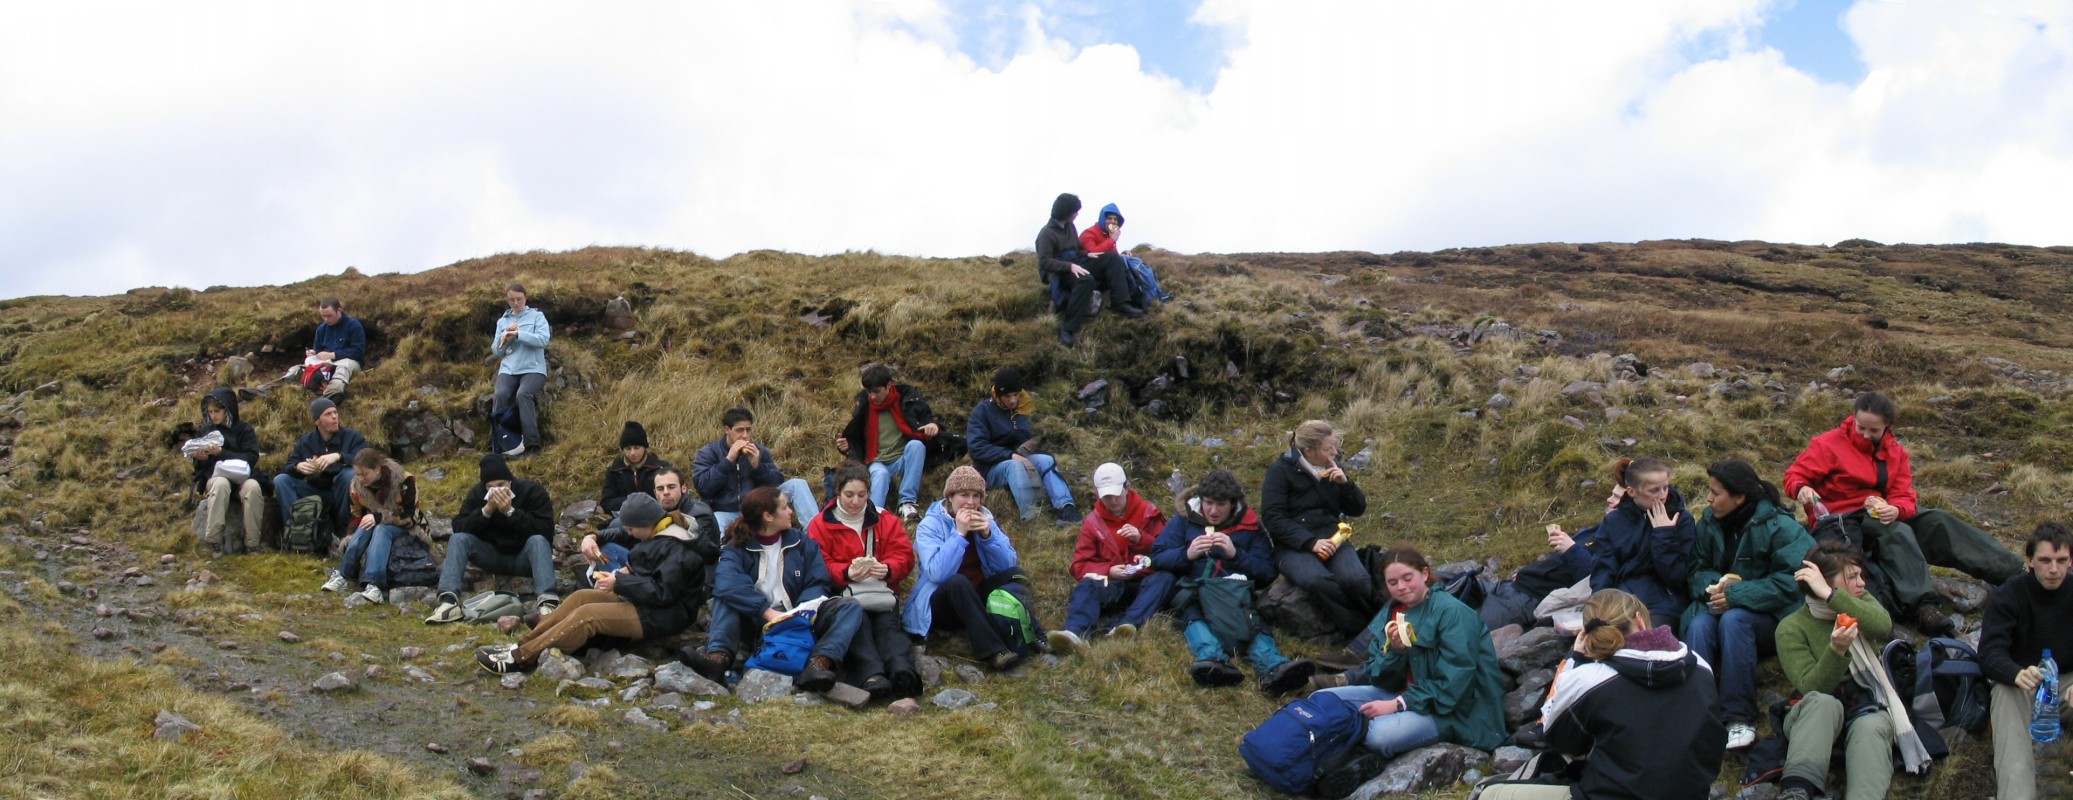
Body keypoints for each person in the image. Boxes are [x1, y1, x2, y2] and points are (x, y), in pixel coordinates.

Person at [1784, 391, 2024, 633]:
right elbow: (1795, 475)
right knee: (1897, 532)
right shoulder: (1828, 444)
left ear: (1887, 427)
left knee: (1938, 521)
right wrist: (1802, 488)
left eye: (1873, 430)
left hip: (1881, 511)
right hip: (1841, 517)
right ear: (1853, 418)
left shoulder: (1895, 453)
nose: (1866, 435)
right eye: (1861, 427)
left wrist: (1896, 509)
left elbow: (1904, 494)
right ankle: (1924, 608)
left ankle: (2012, 572)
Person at [1475, 589, 1726, 800]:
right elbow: (1712, 740)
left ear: (1586, 633)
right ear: (1640, 620)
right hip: (1691, 794)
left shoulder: (1588, 678)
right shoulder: (1700, 665)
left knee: (1487, 794)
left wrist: (1575, 660)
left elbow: (1558, 740)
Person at [1308, 545, 1506, 795]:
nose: (1401, 587)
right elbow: (1379, 677)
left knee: (1379, 736)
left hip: (1453, 710)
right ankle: (1334, 751)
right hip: (1405, 694)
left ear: (1424, 574)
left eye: (1407, 578)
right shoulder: (1392, 611)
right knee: (1321, 699)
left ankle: (1345, 757)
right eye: (1393, 582)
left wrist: (1398, 705)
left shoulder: (1452, 613)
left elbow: (1454, 684)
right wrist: (1396, 651)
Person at [477, 493, 708, 674]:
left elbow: (662, 593)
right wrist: (594, 537)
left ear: (646, 523)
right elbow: (624, 539)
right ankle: (522, 644)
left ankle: (523, 658)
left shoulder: (677, 549)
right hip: (646, 603)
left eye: (631, 529)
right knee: (581, 597)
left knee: (588, 615)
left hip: (665, 615)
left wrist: (620, 581)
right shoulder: (658, 530)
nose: (629, 533)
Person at [1683, 458, 1813, 750]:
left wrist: (1738, 595)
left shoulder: (1780, 526)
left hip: (1772, 618)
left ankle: (1739, 718)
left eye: (1716, 493)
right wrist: (1714, 588)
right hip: (1717, 608)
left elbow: (1795, 579)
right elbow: (1696, 570)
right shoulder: (1708, 523)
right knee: (1699, 625)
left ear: (1739, 497)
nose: (1708, 498)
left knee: (1735, 620)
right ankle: (1696, 716)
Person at [1147, 469, 1314, 694]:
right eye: (1208, 503)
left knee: (1250, 622)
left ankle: (1275, 667)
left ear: (1233, 504)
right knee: (1192, 614)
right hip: (1194, 592)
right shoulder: (1185, 520)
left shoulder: (1250, 526)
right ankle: (1213, 661)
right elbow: (1157, 557)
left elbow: (1267, 572)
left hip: (1234, 595)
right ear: (1201, 500)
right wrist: (1187, 554)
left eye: (1221, 504)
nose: (1213, 511)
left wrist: (1236, 554)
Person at [682, 486, 861, 693]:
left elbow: (818, 580)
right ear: (768, 516)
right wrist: (765, 611)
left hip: (801, 616)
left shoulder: (801, 542)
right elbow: (726, 582)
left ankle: (818, 664)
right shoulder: (737, 546)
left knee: (849, 606)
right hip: (758, 619)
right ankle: (717, 659)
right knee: (725, 598)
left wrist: (800, 612)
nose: (790, 511)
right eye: (784, 507)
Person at [1773, 540, 1897, 800]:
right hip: (1815, 713)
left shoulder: (1859, 601)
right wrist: (1836, 651)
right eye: (1852, 577)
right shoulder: (1791, 627)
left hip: (1866, 702)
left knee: (1871, 726)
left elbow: (1883, 626)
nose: (1861, 583)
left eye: (1860, 575)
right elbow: (1811, 686)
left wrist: (1833, 597)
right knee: (1823, 703)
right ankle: (1796, 791)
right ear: (1823, 581)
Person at [906, 466, 1045, 670]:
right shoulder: (930, 525)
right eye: (964, 495)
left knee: (1015, 574)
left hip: (976, 595)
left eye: (976, 496)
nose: (971, 502)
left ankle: (1034, 635)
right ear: (950, 497)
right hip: (942, 602)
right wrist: (959, 534)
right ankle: (994, 651)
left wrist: (988, 536)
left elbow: (1007, 565)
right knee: (958, 582)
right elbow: (936, 573)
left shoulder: (985, 518)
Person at [806, 462, 922, 698]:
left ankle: (902, 671)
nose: (856, 501)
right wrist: (846, 573)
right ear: (837, 492)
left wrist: (887, 569)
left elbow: (904, 555)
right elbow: (818, 564)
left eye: (862, 495)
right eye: (849, 495)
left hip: (881, 592)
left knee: (888, 629)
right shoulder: (820, 524)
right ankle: (872, 676)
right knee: (858, 627)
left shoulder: (885, 519)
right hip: (843, 596)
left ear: (869, 492)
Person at [1980, 522, 2073, 800]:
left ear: (2071, 561)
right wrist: (2015, 673)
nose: (2053, 569)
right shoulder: (2009, 595)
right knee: (2005, 692)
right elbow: (1989, 652)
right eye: (2045, 560)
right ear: (2030, 560)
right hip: (2023, 686)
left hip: (2067, 685)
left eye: (2061, 560)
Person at [1259, 419, 1372, 639]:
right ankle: (1360, 633)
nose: (1335, 453)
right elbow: (1273, 518)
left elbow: (1357, 509)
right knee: (1317, 581)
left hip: (1333, 538)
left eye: (1335, 446)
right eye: (1328, 448)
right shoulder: (1280, 471)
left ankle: (1380, 622)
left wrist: (1346, 485)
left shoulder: (1333, 467)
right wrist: (1310, 542)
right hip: (1293, 546)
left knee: (1356, 579)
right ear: (1308, 451)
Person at [1552, 457, 1695, 630]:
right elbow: (1603, 570)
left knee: (1643, 638)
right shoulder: (1614, 521)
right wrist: (1600, 608)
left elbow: (1677, 578)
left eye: (1665, 487)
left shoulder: (1681, 519)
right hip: (1621, 602)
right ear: (1632, 491)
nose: (1663, 495)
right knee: (1596, 638)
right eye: (1654, 490)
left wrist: (1664, 534)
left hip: (1663, 605)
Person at [1050, 462, 1172, 651]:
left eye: (1116, 494)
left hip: (1144, 582)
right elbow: (1079, 566)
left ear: (1127, 487)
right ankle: (1075, 633)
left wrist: (1141, 539)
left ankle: (1126, 625)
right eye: (1107, 496)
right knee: (1087, 585)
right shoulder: (1092, 523)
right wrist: (1108, 571)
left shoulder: (1149, 513)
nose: (1113, 501)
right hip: (1111, 585)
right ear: (1097, 493)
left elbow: (1169, 554)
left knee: (1165, 578)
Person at [425, 455, 560, 623]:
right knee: (459, 539)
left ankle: (548, 603)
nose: (497, 491)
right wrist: (485, 512)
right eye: (491, 487)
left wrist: (511, 513)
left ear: (510, 481)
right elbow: (459, 526)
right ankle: (448, 602)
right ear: (485, 487)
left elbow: (546, 531)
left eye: (501, 485)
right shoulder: (477, 494)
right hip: (491, 556)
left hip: (524, 558)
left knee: (538, 541)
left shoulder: (531, 491)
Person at [588, 467, 719, 602]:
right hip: (657, 567)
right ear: (655, 493)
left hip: (691, 581)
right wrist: (593, 537)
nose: (666, 492)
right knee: (607, 548)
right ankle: (613, 592)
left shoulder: (698, 514)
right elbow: (625, 531)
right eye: (660, 489)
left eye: (671, 487)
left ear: (683, 488)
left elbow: (682, 555)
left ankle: (618, 594)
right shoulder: (659, 511)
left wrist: (624, 574)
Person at [966, 367, 1079, 525]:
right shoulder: (982, 411)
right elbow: (976, 447)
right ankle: (1032, 518)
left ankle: (1066, 508)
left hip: (1020, 457)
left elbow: (1030, 436)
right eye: (1007, 396)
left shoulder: (1025, 409)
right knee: (1014, 466)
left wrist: (1035, 439)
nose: (1013, 400)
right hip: (990, 469)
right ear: (997, 394)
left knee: (1046, 460)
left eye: (1016, 395)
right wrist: (1010, 455)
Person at [834, 363, 943, 524]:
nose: (872, 396)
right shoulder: (864, 407)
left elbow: (926, 419)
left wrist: (933, 426)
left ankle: (907, 503)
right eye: (869, 392)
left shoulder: (906, 399)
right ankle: (873, 516)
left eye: (876, 391)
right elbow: (855, 438)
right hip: (876, 461)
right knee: (880, 474)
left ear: (889, 385)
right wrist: (846, 448)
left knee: (916, 446)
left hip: (902, 460)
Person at [1035, 192, 1142, 346]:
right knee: (1086, 280)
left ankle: (1120, 302)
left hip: (1077, 263)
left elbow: (1077, 249)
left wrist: (1087, 254)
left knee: (1112, 258)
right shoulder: (1046, 233)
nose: (1077, 214)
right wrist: (1069, 266)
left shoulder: (1070, 227)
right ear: (1066, 212)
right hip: (1062, 272)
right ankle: (1067, 328)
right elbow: (1045, 262)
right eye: (1075, 211)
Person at [693, 407, 819, 534]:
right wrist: (728, 461)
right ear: (727, 430)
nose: (745, 435)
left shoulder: (759, 450)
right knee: (717, 527)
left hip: (757, 508)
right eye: (739, 430)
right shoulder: (709, 452)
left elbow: (775, 484)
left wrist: (757, 466)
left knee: (798, 484)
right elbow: (703, 488)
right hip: (725, 512)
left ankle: (815, 535)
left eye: (748, 429)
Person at [320, 448, 420, 605]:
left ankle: (375, 584)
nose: (360, 479)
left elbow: (412, 517)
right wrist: (352, 536)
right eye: (357, 474)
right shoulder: (355, 487)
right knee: (367, 526)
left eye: (364, 474)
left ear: (377, 469)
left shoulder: (405, 480)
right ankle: (344, 575)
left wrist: (380, 517)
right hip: (375, 525)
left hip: (407, 528)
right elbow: (356, 515)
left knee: (381, 528)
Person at [272, 396, 369, 540]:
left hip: (341, 492)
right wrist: (297, 466)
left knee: (348, 475)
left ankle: (345, 532)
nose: (334, 417)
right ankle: (295, 530)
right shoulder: (306, 442)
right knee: (281, 480)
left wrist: (339, 456)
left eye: (335, 412)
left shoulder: (352, 437)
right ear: (317, 421)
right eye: (328, 414)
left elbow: (367, 459)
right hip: (316, 491)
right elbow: (287, 467)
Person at [187, 387, 264, 554]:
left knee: (253, 488)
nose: (213, 416)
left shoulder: (244, 429)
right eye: (210, 412)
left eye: (217, 411)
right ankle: (215, 540)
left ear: (228, 409)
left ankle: (252, 543)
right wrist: (201, 458)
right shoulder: (205, 431)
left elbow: (251, 457)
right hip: (215, 477)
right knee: (220, 485)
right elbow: (198, 467)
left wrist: (222, 453)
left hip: (242, 476)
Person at [490, 281, 550, 458]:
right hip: (508, 369)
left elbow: (543, 339)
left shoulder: (537, 317)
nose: (516, 303)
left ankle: (532, 444)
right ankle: (497, 443)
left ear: (525, 298)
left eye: (519, 299)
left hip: (533, 368)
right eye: (512, 300)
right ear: (507, 300)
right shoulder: (502, 321)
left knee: (523, 394)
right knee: (500, 395)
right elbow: (497, 351)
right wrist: (506, 338)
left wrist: (519, 334)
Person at [601, 421, 672, 516]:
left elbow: (672, 496)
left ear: (644, 447)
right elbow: (606, 503)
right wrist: (634, 502)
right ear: (622, 449)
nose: (632, 453)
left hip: (659, 515)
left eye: (637, 447)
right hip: (625, 518)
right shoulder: (614, 472)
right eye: (628, 448)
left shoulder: (663, 468)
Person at [307, 297, 366, 401]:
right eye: (323, 316)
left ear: (339, 310)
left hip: (349, 363)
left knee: (345, 365)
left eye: (329, 316)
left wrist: (333, 355)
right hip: (326, 364)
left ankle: (333, 393)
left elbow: (358, 352)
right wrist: (313, 353)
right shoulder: (321, 329)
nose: (326, 319)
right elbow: (318, 351)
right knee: (304, 364)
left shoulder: (354, 326)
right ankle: (285, 382)